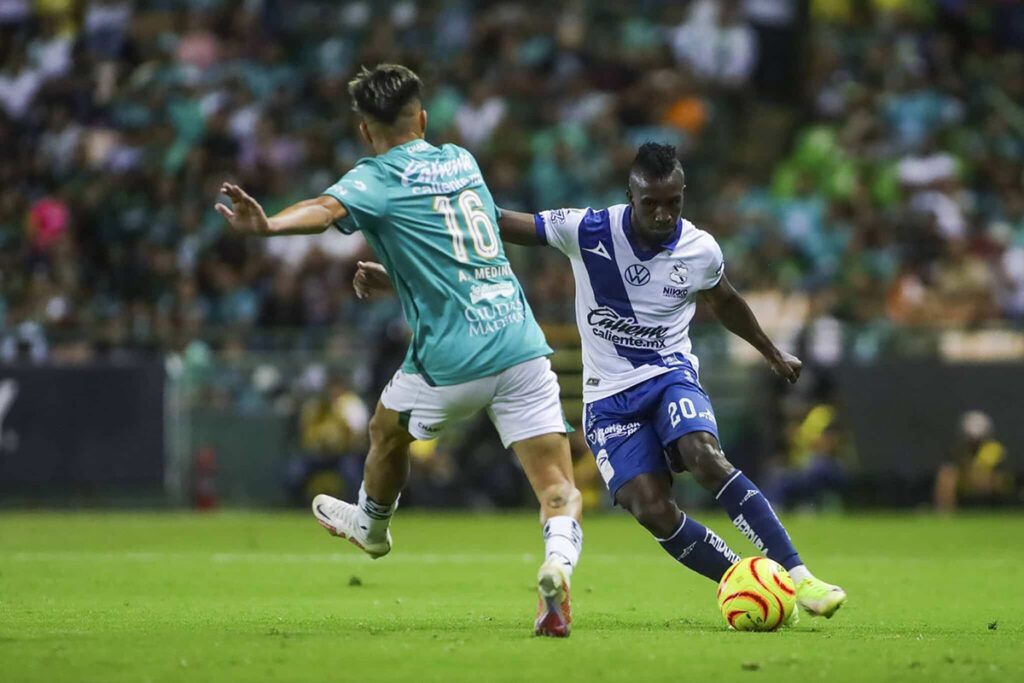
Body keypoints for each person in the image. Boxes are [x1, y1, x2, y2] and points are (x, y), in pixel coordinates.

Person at [357, 142, 847, 620]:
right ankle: (744, 579)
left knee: (704, 456)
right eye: (650, 203)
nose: (662, 214)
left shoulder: (700, 249)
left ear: (683, 195)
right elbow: (501, 224)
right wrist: (429, 238)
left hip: (669, 376)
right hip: (608, 400)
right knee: (649, 506)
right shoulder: (587, 229)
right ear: (629, 195)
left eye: (673, 203)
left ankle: (800, 577)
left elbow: (725, 300)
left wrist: (771, 350)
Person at [214, 64, 582, 637]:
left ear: (365, 132)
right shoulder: (463, 160)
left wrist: (268, 228)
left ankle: (372, 525)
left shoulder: (374, 176)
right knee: (558, 488)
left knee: (387, 429)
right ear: (424, 119)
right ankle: (557, 569)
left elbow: (324, 210)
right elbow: (464, 253)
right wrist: (398, 278)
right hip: (519, 343)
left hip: (454, 358)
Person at [934, 410, 1014, 512]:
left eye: (977, 440)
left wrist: (980, 478)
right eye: (971, 439)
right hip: (965, 493)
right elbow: (947, 477)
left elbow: (1005, 482)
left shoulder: (996, 451)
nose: (974, 444)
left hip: (993, 498)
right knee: (947, 477)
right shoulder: (957, 452)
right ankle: (945, 512)